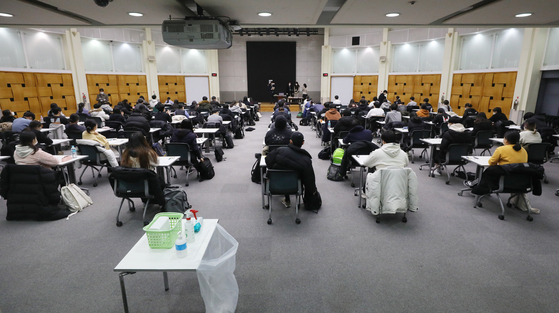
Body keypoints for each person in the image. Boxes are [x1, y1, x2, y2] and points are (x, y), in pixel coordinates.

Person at [485, 130, 538, 214]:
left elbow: (491, 163)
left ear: (506, 140)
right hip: (521, 182)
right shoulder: (523, 150)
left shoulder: (501, 149)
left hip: (504, 181)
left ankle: (481, 190)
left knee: (487, 172)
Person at [265, 132, 318, 208]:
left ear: (290, 141)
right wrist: (313, 192)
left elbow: (268, 162)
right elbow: (309, 180)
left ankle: (284, 200)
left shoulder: (279, 151)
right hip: (294, 186)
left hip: (274, 184)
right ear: (303, 142)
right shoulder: (306, 160)